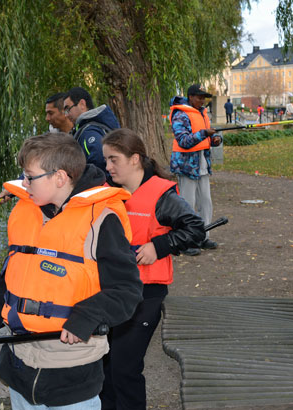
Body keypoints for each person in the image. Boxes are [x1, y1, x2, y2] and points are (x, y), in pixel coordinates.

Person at [0, 132, 143, 409]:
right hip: (18, 369)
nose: (23, 183)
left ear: (59, 178)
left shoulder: (103, 220)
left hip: (72, 376)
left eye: (30, 176)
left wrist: (86, 317)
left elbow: (127, 291)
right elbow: (5, 288)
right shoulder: (27, 213)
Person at [100, 128, 205, 410]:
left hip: (145, 296)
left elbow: (195, 229)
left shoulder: (162, 195)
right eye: (106, 160)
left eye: (113, 160)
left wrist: (157, 247)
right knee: (105, 367)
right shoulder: (107, 191)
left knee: (124, 369)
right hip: (110, 293)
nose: (107, 167)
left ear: (135, 159)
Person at [169, 84, 222, 256]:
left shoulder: (202, 113)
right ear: (190, 97)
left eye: (204, 97)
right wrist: (204, 134)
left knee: (206, 202)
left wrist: (215, 139)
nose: (202, 100)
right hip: (186, 167)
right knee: (187, 204)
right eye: (199, 97)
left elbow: (209, 135)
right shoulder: (180, 114)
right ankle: (185, 241)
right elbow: (183, 140)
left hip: (202, 164)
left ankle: (202, 237)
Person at [63, 87, 120, 173]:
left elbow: (99, 165)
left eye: (68, 109)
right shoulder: (87, 128)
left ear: (82, 104)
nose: (66, 115)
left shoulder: (89, 132)